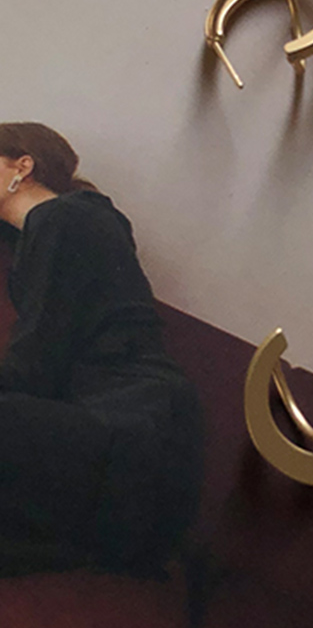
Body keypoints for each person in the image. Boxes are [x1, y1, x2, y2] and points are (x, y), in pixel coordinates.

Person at [0, 122, 203, 580]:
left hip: (136, 428)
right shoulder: (43, 237)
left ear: (22, 166)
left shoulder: (67, 217)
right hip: (120, 430)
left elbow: (36, 361)